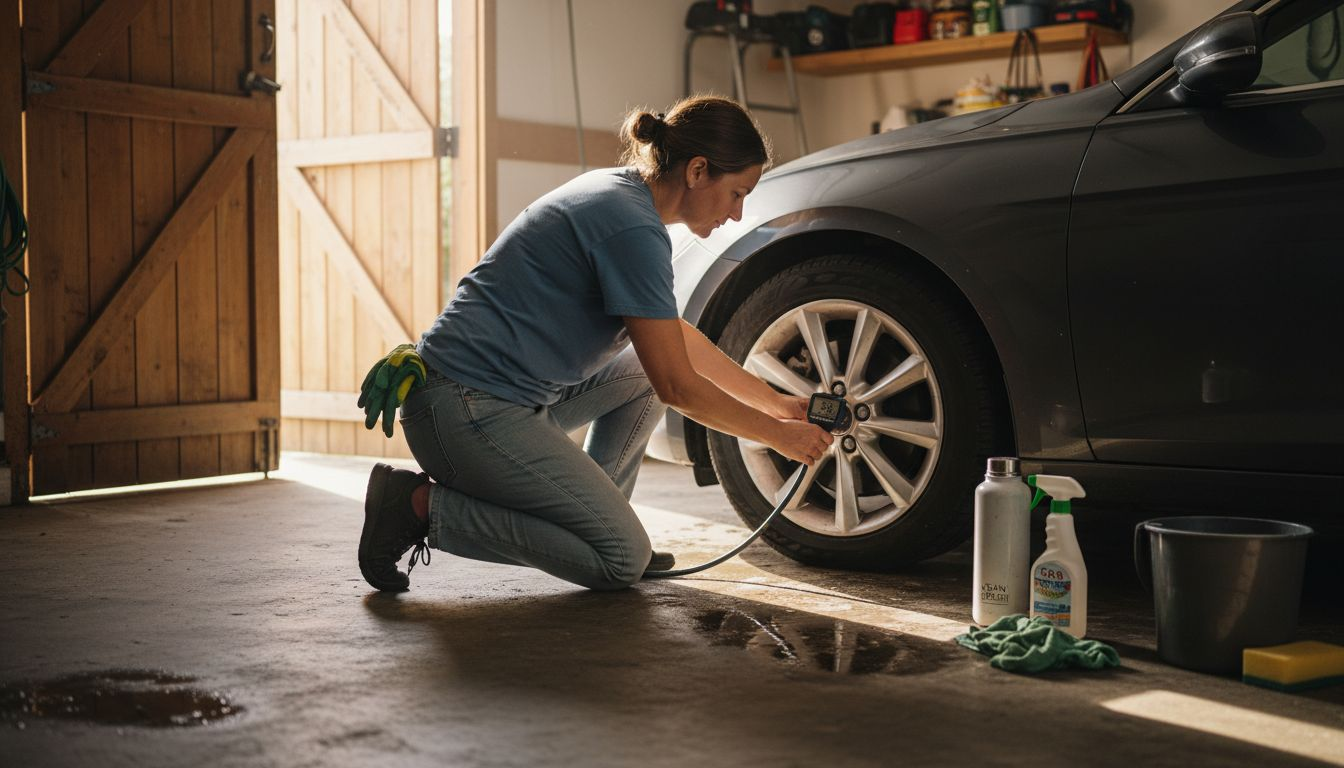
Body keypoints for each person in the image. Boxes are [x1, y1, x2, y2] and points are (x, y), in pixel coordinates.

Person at [358, 95, 833, 593]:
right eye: (737, 193)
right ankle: (416, 507)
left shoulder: (621, 196)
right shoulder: (631, 228)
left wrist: (777, 405)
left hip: (491, 398)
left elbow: (675, 344)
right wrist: (776, 436)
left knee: (642, 375)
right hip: (465, 410)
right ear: (697, 171)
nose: (737, 214)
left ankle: (603, 524)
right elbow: (678, 386)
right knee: (619, 561)